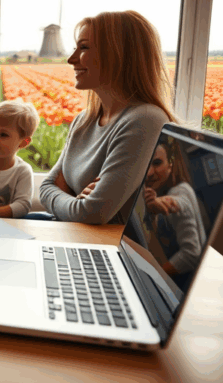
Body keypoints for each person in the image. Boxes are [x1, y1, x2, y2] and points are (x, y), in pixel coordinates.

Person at [38, 11, 176, 224]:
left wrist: (72, 201)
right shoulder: (84, 120)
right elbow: (46, 187)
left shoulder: (144, 120)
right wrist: (75, 202)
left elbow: (92, 213)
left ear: (117, 54)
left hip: (111, 246)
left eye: (83, 47)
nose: (71, 59)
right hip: (74, 234)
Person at [143, 139, 206, 281]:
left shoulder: (180, 190)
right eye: (147, 164)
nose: (150, 172)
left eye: (157, 163)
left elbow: (191, 255)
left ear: (170, 166)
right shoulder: (159, 190)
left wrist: (154, 274)